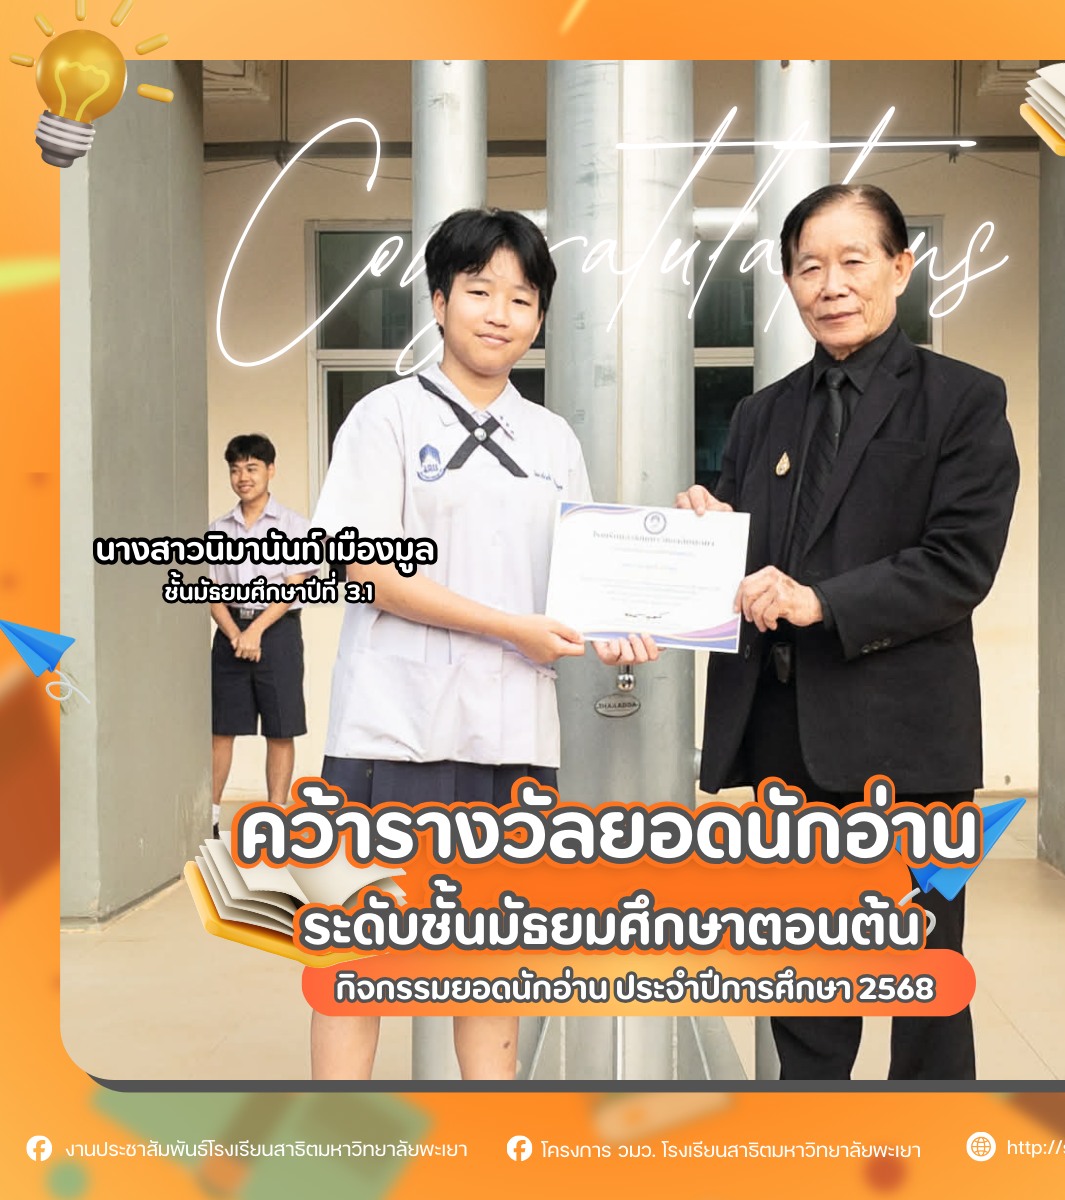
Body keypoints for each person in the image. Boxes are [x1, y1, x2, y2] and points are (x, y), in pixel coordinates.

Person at [677, 183, 1019, 1080]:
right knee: (806, 987)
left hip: (907, 744)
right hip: (786, 744)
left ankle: (928, 1144)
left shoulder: (963, 399)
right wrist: (708, 536)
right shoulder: (761, 413)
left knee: (922, 981)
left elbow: (959, 563)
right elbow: (753, 567)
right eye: (808, 267)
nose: (830, 285)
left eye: (852, 261)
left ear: (900, 268)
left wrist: (821, 602)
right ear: (789, 282)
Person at [309, 207, 656, 1081]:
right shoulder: (383, 419)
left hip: (513, 739)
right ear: (438, 301)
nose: (500, 313)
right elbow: (364, 570)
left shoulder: (553, 440)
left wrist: (612, 629)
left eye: (522, 297)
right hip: (393, 731)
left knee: (490, 964)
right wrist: (511, 627)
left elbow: (577, 580)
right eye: (479, 291)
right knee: (359, 964)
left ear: (539, 317)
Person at [209, 434, 312, 836]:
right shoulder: (218, 529)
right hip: (231, 633)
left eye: (251, 468)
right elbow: (212, 593)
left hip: (278, 632)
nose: (243, 477)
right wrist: (236, 634)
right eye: (235, 469)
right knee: (220, 728)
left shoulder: (295, 526)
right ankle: (210, 817)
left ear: (271, 470)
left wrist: (255, 631)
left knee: (280, 727)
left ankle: (275, 821)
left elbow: (293, 587)